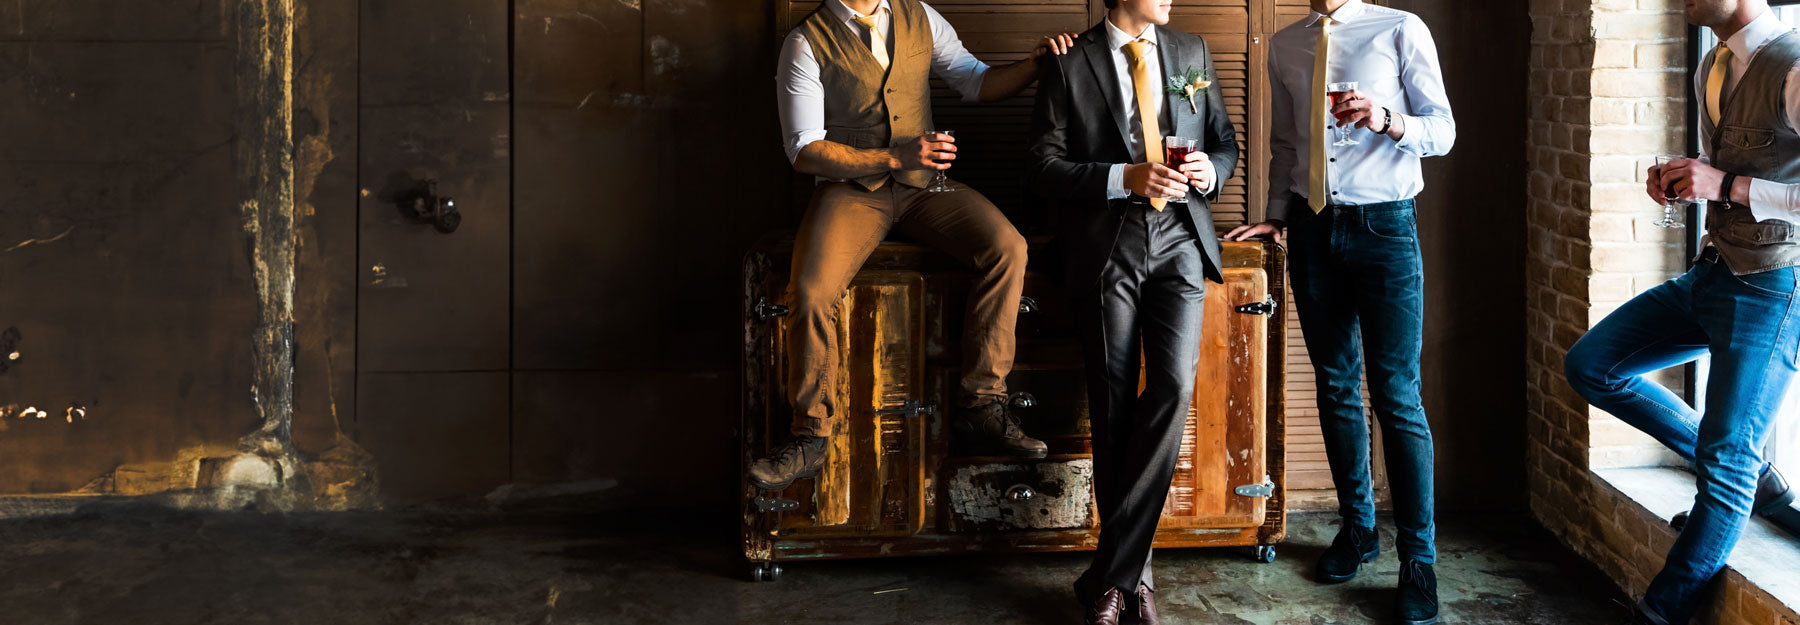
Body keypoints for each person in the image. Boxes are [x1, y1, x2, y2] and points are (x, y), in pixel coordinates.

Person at [747, 0, 1079, 492]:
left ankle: (982, 404)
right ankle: (810, 434)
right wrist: (892, 157)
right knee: (812, 292)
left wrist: (1037, 64)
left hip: (927, 187)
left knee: (1008, 247)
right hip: (850, 191)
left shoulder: (919, 14)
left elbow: (975, 81)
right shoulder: (805, 41)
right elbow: (803, 149)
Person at [1563, 1, 1800, 622]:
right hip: (1712, 271)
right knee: (1593, 365)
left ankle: (1661, 610)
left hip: (1774, 285)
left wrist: (1724, 186)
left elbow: (1747, 185)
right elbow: (1731, 167)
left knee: (1725, 462)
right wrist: (1687, 178)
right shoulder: (1712, 66)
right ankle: (1759, 480)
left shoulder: (1796, 65)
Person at [1225, 1, 1455, 623]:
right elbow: (1285, 142)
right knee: (1333, 385)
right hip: (1311, 227)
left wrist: (1385, 119)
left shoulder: (1400, 28)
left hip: (1385, 227)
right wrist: (1277, 210)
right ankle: (1358, 531)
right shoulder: (1284, 43)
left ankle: (1419, 561)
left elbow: (1443, 131)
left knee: (1397, 395)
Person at [1026, 0, 1239, 621]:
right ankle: (1133, 582)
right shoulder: (1071, 61)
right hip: (1105, 242)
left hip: (1181, 239)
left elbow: (1225, 144)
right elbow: (1041, 166)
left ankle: (1108, 574)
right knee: (1113, 400)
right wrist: (1125, 176)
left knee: (1173, 387)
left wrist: (1208, 170)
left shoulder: (1191, 52)